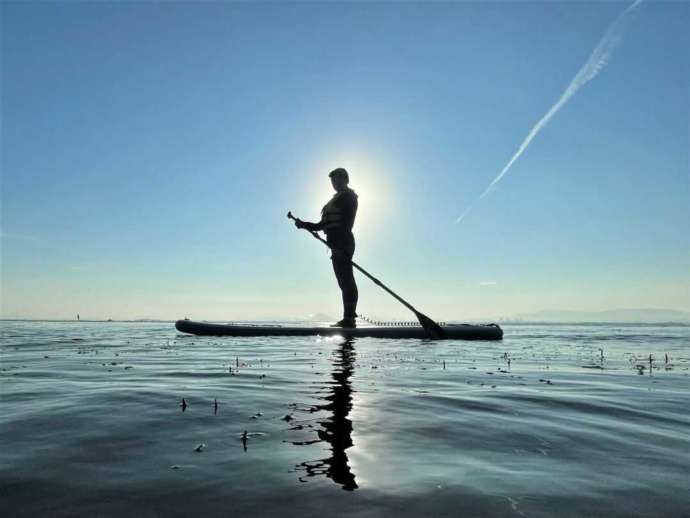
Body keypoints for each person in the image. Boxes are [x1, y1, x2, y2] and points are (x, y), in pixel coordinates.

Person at [295, 168, 359, 328]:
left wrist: (341, 247)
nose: (334, 183)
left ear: (345, 179)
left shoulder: (349, 198)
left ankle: (349, 319)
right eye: (332, 180)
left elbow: (347, 223)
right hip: (335, 245)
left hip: (343, 243)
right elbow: (321, 225)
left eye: (337, 179)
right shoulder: (335, 200)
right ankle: (348, 318)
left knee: (347, 281)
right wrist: (304, 225)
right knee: (342, 282)